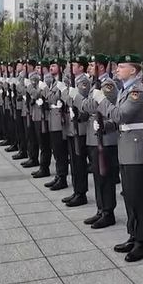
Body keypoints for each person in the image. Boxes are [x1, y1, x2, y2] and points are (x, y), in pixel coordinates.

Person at [96, 53, 143, 262]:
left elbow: (121, 115)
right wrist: (106, 125)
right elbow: (119, 121)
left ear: (134, 71)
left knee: (138, 197)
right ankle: (133, 234)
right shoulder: (126, 90)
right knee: (129, 196)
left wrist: (102, 102)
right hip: (126, 147)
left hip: (136, 150)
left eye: (122, 66)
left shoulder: (136, 91)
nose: (117, 69)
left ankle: (142, 241)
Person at [82, 54, 119, 229]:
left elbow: (91, 106)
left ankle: (108, 212)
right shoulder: (96, 84)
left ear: (102, 67)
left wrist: (77, 99)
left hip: (106, 138)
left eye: (92, 65)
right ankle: (100, 209)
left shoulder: (108, 85)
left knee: (105, 177)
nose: (89, 67)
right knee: (98, 176)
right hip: (94, 135)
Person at [63, 55, 91, 207]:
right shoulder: (74, 82)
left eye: (74, 65)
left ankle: (81, 193)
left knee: (79, 162)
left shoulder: (84, 82)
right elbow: (67, 100)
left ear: (81, 67)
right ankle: (76, 190)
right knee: (74, 161)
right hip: (72, 125)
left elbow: (77, 102)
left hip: (79, 127)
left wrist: (68, 94)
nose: (71, 67)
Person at [45, 58, 70, 191]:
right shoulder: (53, 81)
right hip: (53, 118)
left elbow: (55, 98)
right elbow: (49, 97)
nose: (51, 67)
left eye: (54, 65)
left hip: (60, 120)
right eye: (50, 65)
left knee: (60, 151)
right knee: (56, 149)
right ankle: (58, 175)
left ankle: (62, 177)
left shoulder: (64, 81)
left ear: (60, 67)